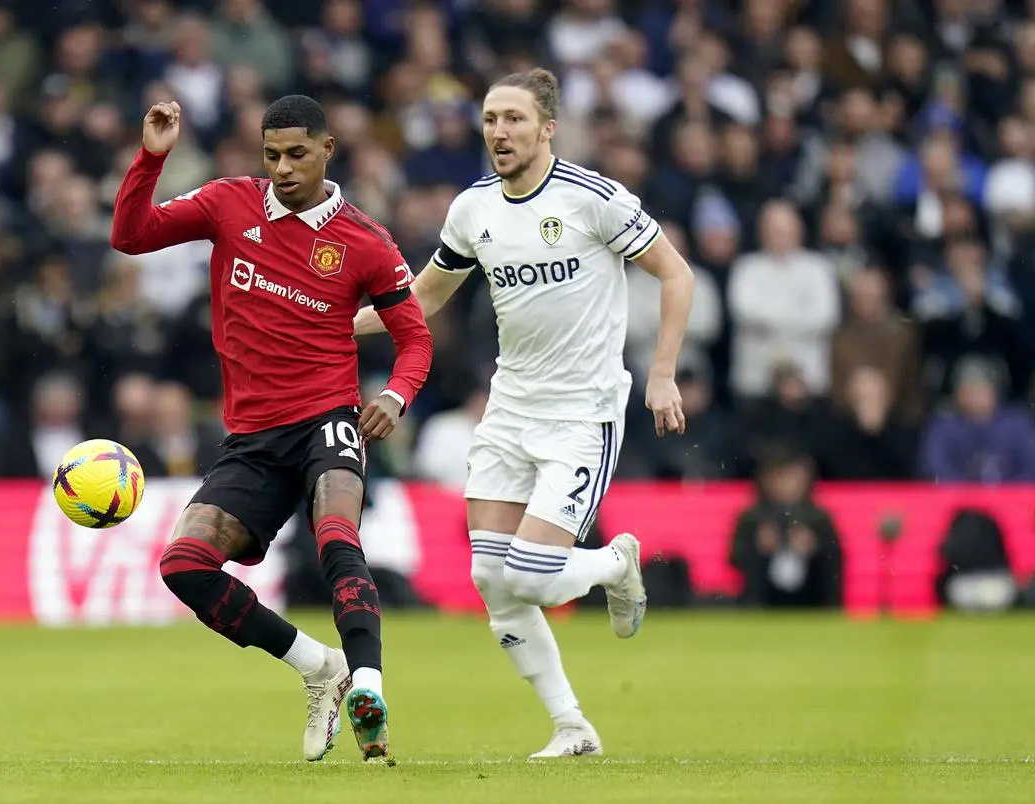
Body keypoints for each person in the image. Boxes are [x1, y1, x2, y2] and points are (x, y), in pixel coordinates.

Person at [355, 68, 694, 758]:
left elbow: (676, 274)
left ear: (547, 128)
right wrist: (328, 323)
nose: (499, 132)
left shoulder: (594, 198)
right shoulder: (473, 208)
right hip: (510, 408)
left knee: (533, 575)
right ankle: (572, 726)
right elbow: (421, 301)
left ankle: (613, 562)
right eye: (489, 120)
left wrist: (661, 374)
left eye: (512, 119)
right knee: (490, 578)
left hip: (582, 412)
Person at [111, 96, 433, 765]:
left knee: (336, 535)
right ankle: (319, 667)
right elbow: (130, 236)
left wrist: (397, 396)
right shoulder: (230, 203)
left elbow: (414, 341)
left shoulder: (366, 242)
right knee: (183, 567)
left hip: (328, 418)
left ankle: (367, 686)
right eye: (272, 155)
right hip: (253, 438)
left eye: (296, 154)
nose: (283, 169)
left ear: (327, 150)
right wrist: (152, 157)